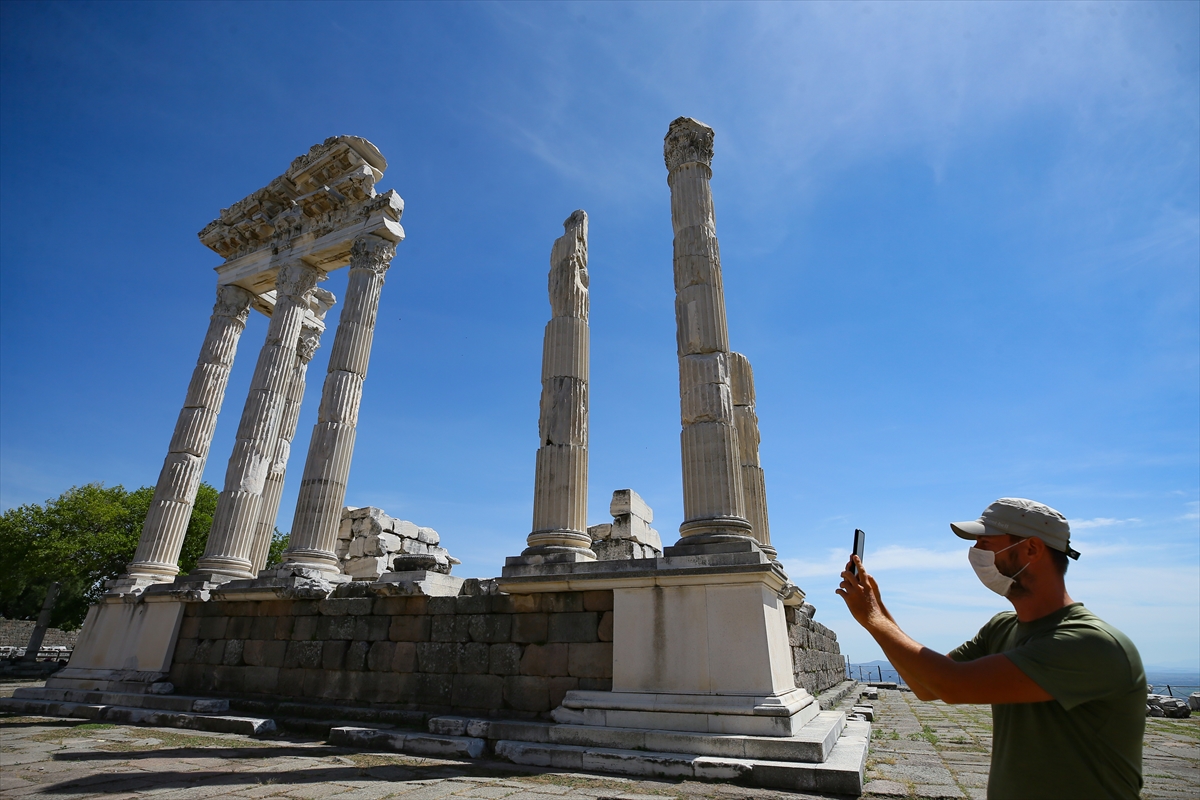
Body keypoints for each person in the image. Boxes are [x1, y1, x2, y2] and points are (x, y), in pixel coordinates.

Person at [837, 497, 1146, 800]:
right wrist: (877, 612)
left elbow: (953, 685)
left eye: (986, 542)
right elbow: (926, 686)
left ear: (1031, 549)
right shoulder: (1002, 628)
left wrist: (875, 619)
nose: (975, 552)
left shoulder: (1090, 643)